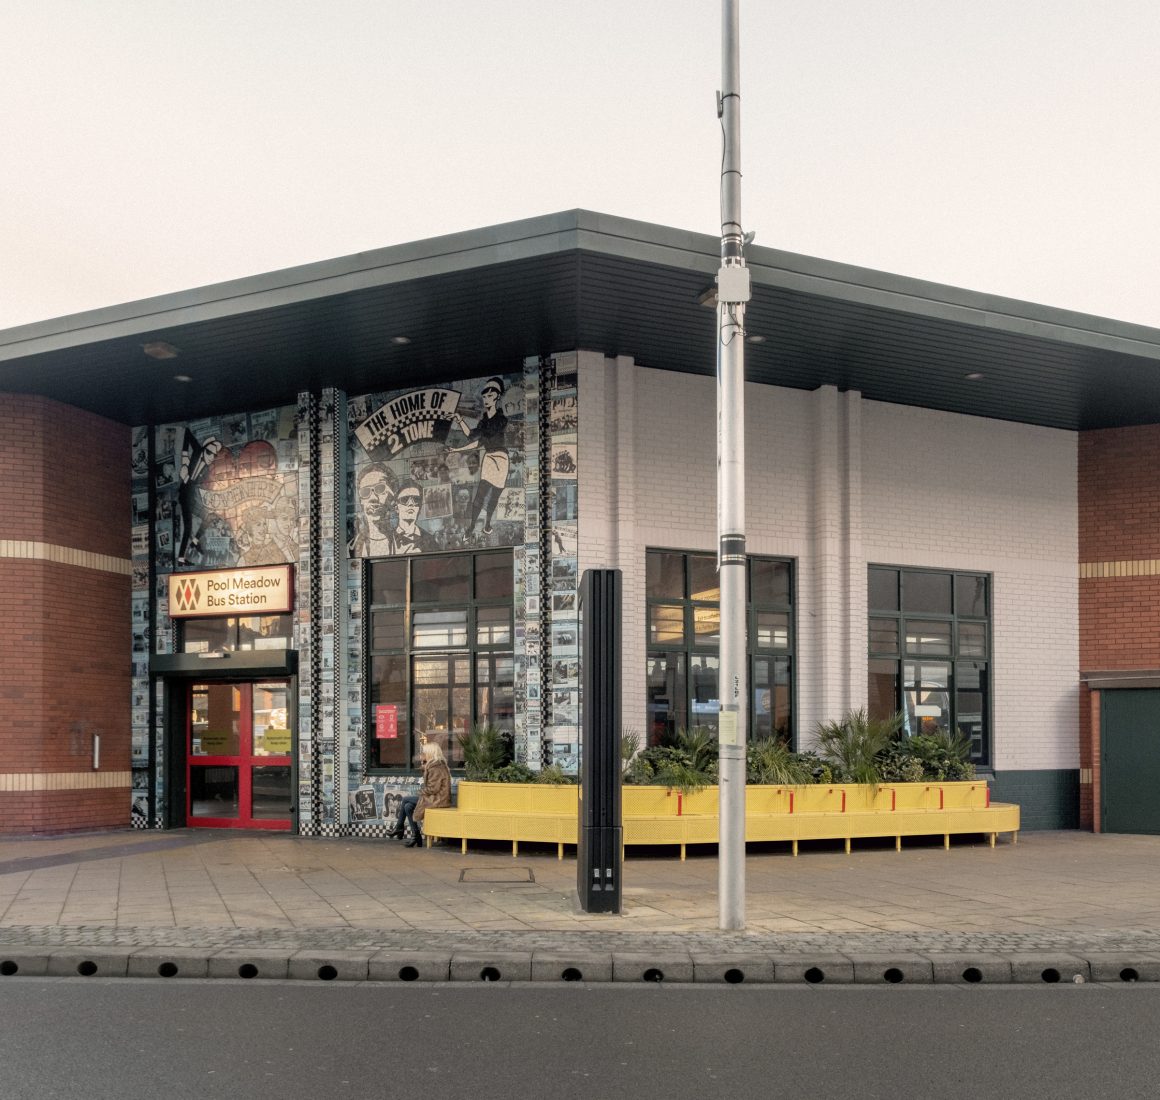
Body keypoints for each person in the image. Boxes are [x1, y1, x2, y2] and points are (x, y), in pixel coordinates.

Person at [449, 376, 509, 536]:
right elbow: (472, 436)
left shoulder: (501, 419)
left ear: (497, 396)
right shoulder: (484, 422)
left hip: (501, 459)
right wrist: (460, 421)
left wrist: (460, 448)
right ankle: (472, 526)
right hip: (489, 457)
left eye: (490, 395)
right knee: (481, 493)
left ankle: (488, 523)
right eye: (484, 396)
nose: (486, 399)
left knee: (494, 495)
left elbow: (480, 440)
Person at [386, 738, 451, 846]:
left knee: (406, 799)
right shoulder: (435, 765)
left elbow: (433, 789)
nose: (422, 754)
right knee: (408, 807)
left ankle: (399, 828)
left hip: (438, 799)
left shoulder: (436, 768)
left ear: (430, 753)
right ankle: (415, 836)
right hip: (435, 798)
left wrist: (420, 792)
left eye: (424, 752)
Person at [349, 462, 397, 557]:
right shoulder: (351, 548)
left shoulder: (407, 544)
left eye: (380, 488)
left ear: (393, 494)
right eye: (365, 492)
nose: (373, 497)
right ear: (361, 501)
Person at [392, 478, 437, 554]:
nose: (411, 504)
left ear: (419, 507)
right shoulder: (387, 539)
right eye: (405, 499)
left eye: (416, 500)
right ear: (396, 508)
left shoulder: (430, 540)